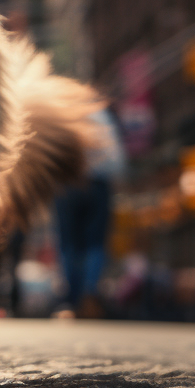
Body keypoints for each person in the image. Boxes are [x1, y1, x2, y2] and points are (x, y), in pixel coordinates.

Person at [53, 108, 126, 318]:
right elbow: (117, 161)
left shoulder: (64, 115)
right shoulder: (104, 117)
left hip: (68, 185)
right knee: (95, 243)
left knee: (68, 244)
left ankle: (71, 299)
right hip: (98, 185)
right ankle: (89, 293)